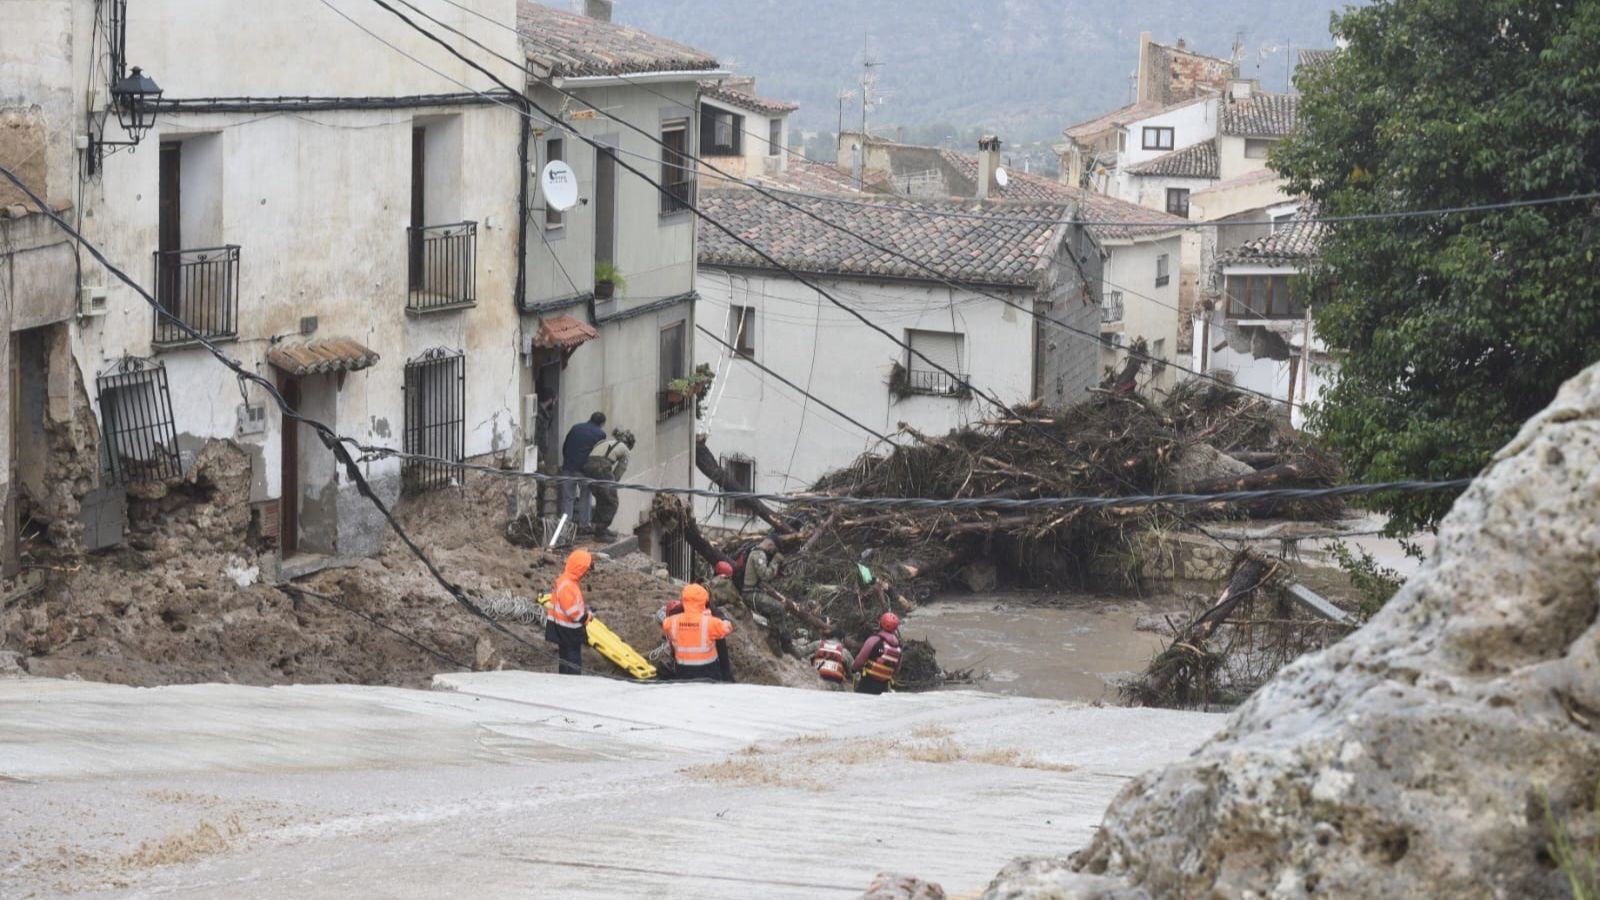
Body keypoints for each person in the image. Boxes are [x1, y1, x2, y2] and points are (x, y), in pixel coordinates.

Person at [662, 583, 734, 683]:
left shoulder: (672, 621)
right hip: (708, 671)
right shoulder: (709, 622)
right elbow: (727, 628)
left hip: (683, 670)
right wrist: (723, 620)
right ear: (704, 600)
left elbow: (665, 624)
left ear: (683, 600)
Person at [582, 428, 634, 541]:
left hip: (587, 467)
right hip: (601, 466)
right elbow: (621, 469)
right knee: (611, 501)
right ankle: (601, 533)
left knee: (601, 498)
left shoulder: (604, 442)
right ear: (629, 445)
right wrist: (612, 485)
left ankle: (598, 528)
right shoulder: (625, 449)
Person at [546, 548, 593, 675]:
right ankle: (573, 680)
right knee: (573, 659)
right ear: (580, 568)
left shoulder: (566, 580)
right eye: (586, 569)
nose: (586, 573)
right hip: (568, 629)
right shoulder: (568, 584)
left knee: (565, 658)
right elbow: (571, 609)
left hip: (561, 627)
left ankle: (564, 679)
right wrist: (585, 617)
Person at [560, 412, 607, 534]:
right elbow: (599, 455)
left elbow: (565, 447)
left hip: (568, 467)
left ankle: (565, 527)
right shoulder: (600, 434)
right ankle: (584, 525)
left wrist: (568, 461)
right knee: (585, 495)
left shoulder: (575, 428)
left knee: (568, 498)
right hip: (583, 470)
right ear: (602, 423)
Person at [852, 612, 903, 695]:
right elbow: (896, 670)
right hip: (884, 687)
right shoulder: (898, 648)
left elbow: (860, 660)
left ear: (881, 624)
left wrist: (854, 669)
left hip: (867, 683)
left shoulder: (874, 640)